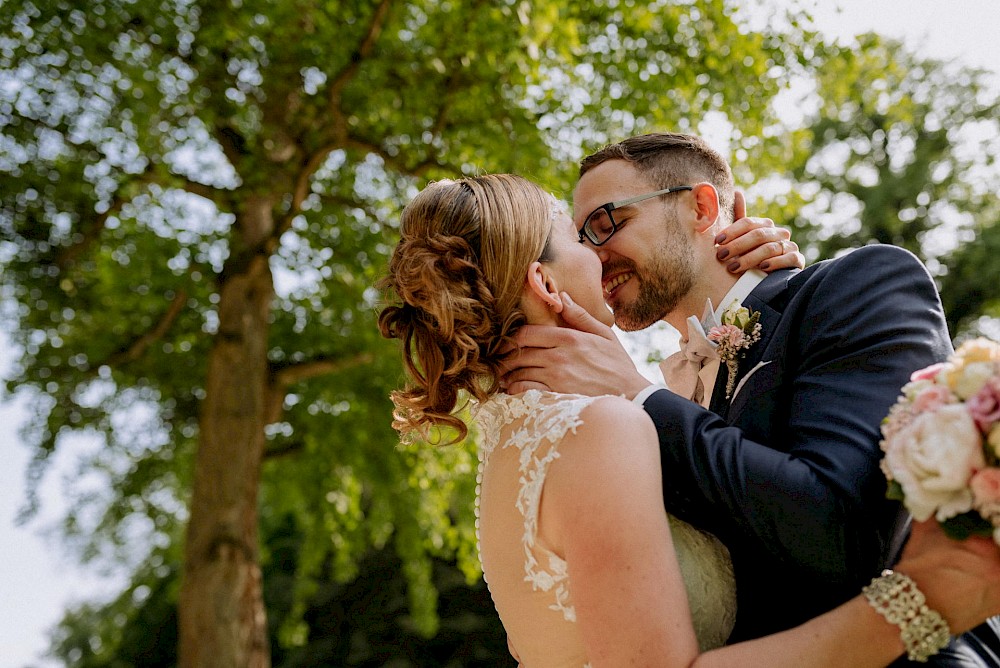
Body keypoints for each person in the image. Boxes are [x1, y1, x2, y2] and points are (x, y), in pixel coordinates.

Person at [378, 173, 1000, 667]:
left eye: (607, 221)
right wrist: (924, 603)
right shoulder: (600, 426)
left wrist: (788, 314)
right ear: (543, 281)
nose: (597, 253)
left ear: (704, 207)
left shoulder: (530, 440)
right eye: (579, 238)